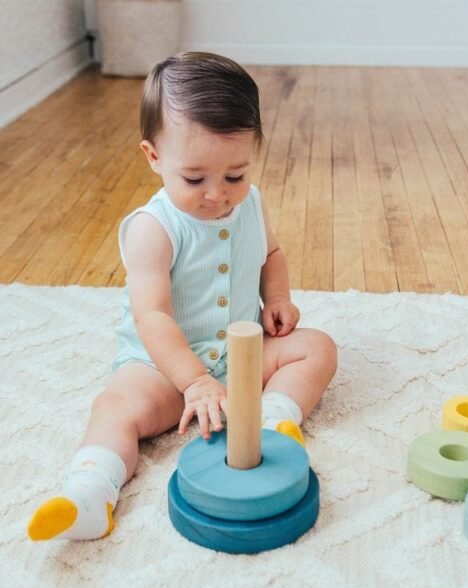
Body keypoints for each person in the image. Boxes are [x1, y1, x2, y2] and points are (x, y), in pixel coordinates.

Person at [27, 52, 337, 542]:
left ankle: (272, 420)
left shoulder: (250, 204)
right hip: (163, 369)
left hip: (240, 359)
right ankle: (90, 491)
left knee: (317, 347)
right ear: (154, 157)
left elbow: (271, 252)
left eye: (235, 175)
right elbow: (151, 316)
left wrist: (277, 297)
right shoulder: (154, 230)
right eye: (195, 179)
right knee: (115, 408)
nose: (218, 195)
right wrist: (192, 381)